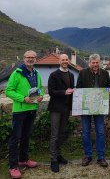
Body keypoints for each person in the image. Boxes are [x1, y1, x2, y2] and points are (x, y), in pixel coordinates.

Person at [6, 50, 44, 179]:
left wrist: (41, 96)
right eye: (28, 57)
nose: (30, 59)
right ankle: (13, 166)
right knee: (15, 138)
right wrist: (23, 98)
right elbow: (8, 91)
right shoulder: (17, 73)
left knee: (26, 136)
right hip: (20, 110)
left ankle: (23, 159)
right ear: (24, 58)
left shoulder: (36, 73)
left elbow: (40, 88)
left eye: (33, 57)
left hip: (32, 109)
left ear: (36, 59)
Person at [76, 54, 110, 167]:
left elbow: (108, 87)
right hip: (86, 107)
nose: (95, 65)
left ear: (100, 62)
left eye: (97, 63)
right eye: (93, 63)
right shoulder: (82, 73)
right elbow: (78, 89)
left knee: (100, 132)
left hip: (99, 107)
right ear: (89, 63)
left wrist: (109, 91)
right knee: (86, 132)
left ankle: (101, 157)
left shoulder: (105, 73)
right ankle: (88, 155)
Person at [47, 54, 75, 172]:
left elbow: (73, 92)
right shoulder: (53, 75)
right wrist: (64, 92)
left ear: (68, 61)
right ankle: (53, 160)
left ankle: (58, 155)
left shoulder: (71, 75)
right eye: (62, 59)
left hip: (66, 108)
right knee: (54, 135)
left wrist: (74, 108)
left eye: (66, 59)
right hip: (56, 109)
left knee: (62, 133)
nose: (65, 61)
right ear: (59, 61)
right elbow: (51, 92)